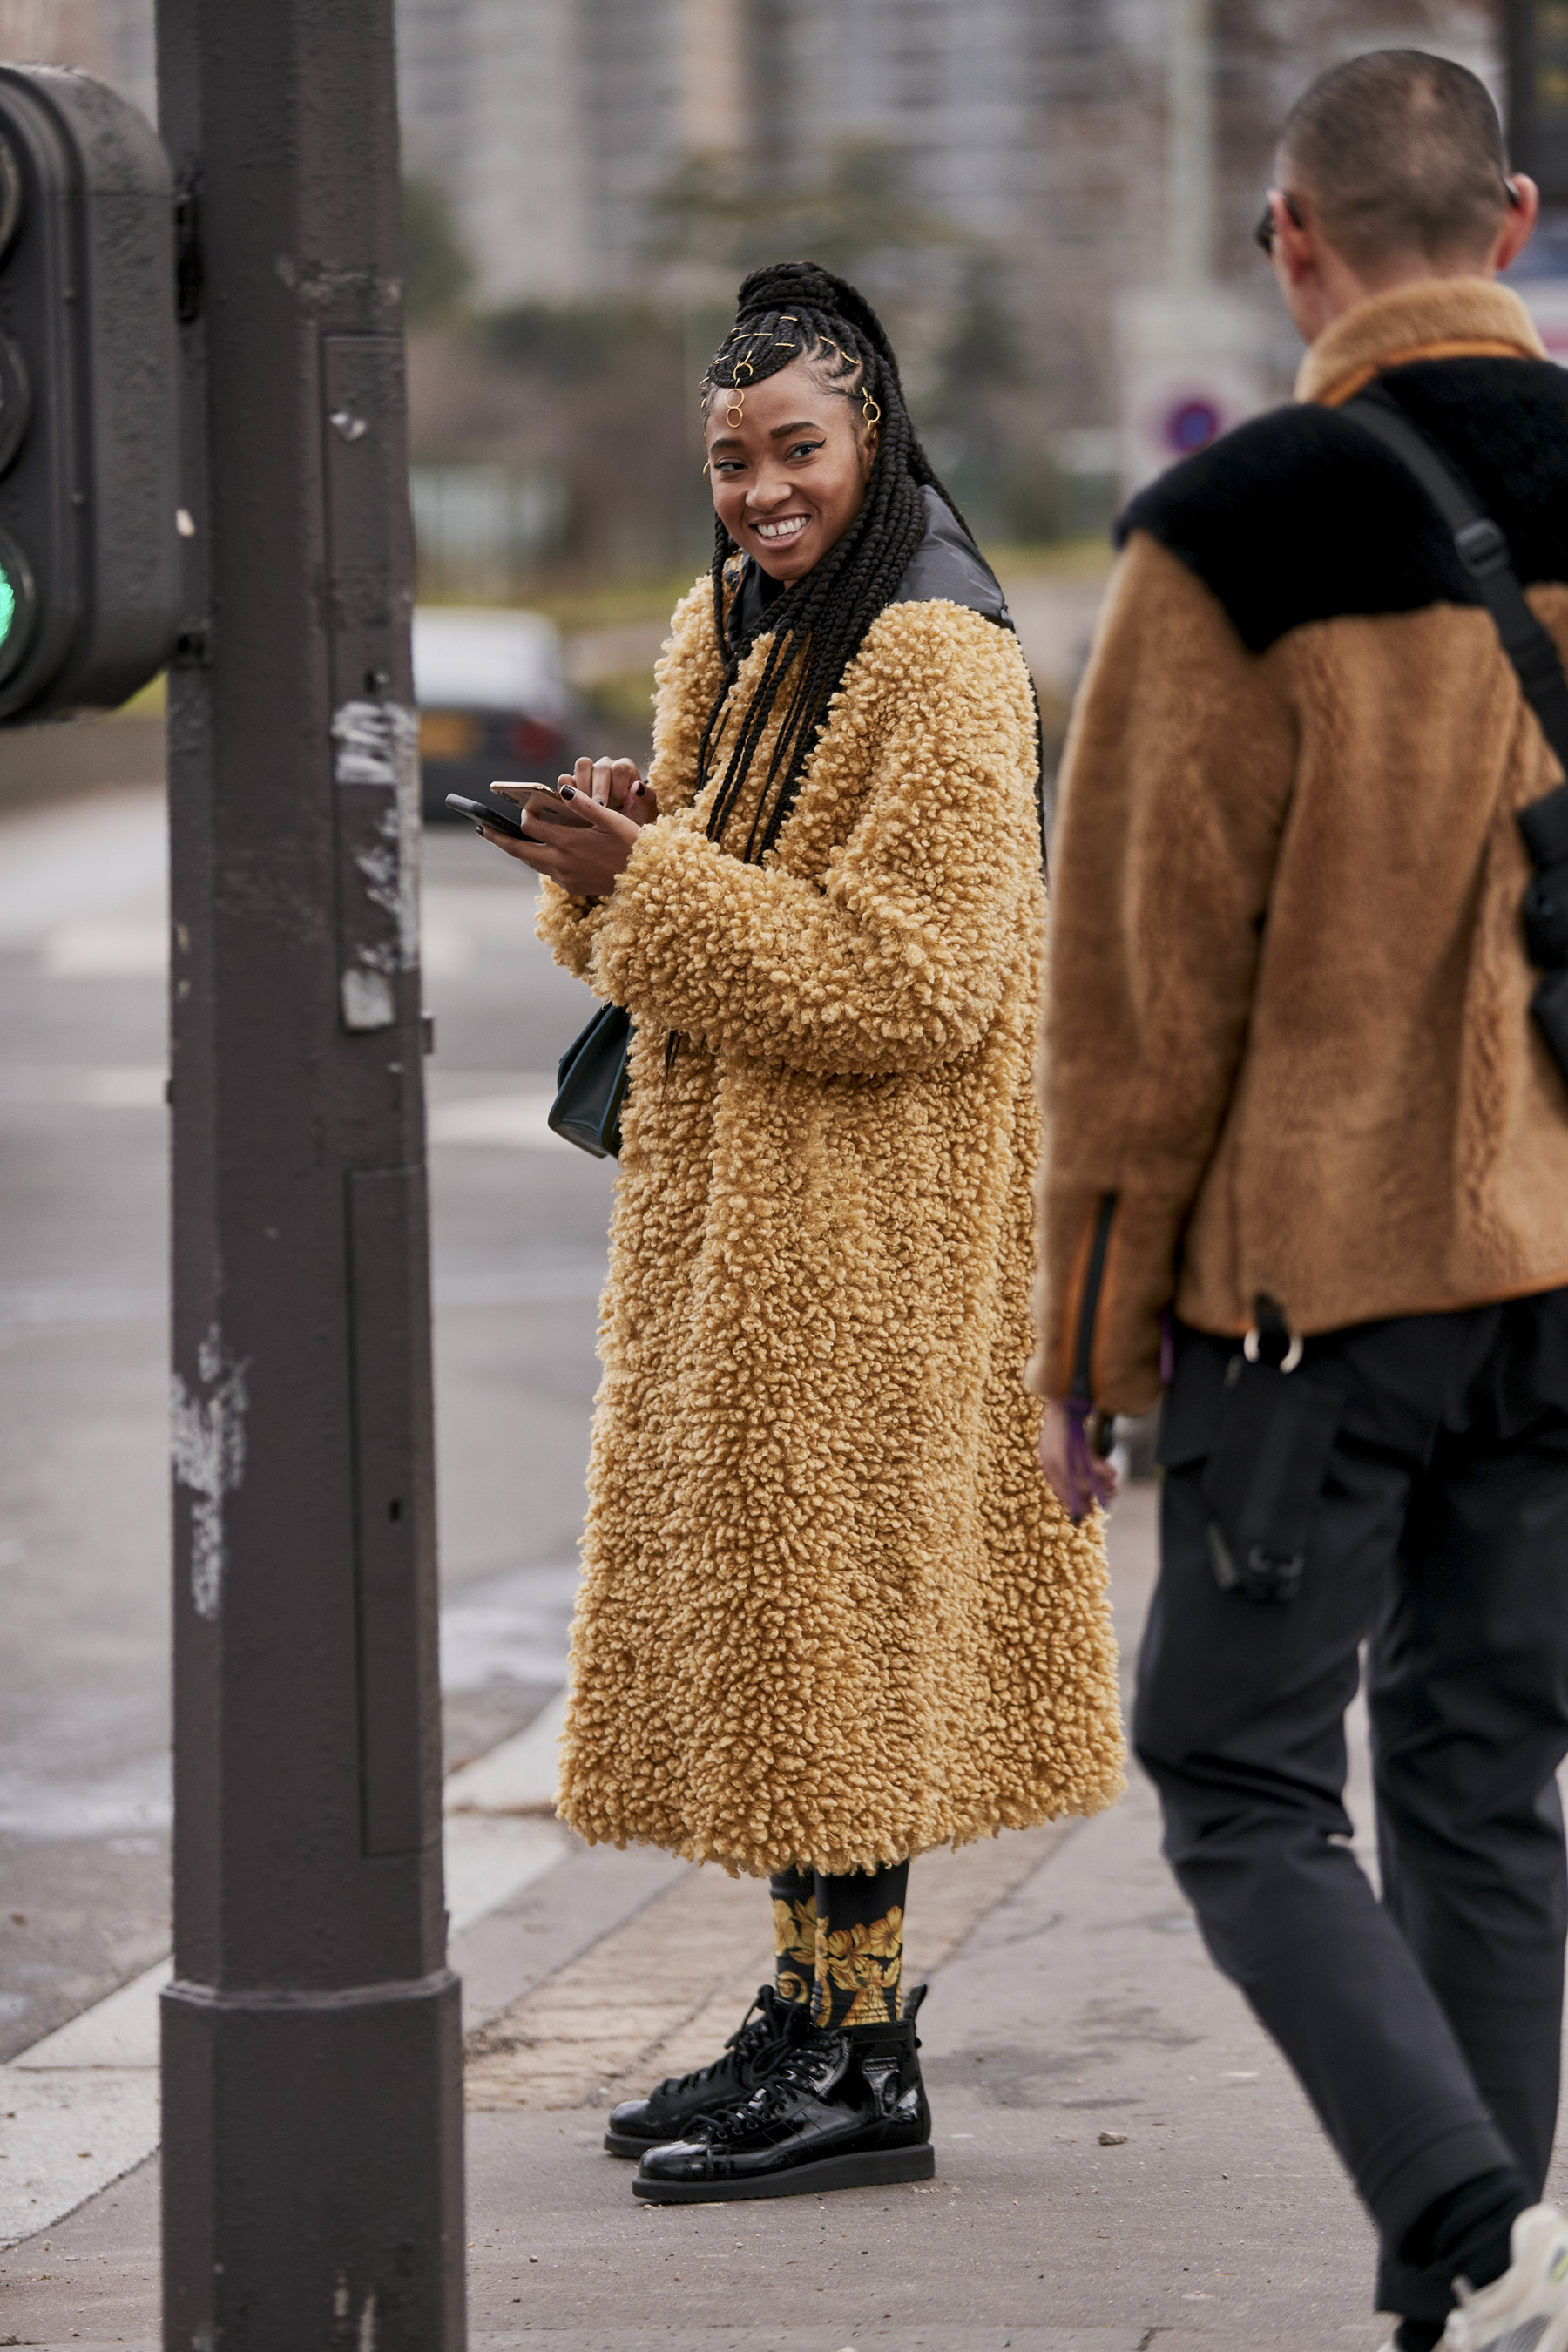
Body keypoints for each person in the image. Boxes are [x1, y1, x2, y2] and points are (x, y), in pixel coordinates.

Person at [476, 259, 1124, 2205]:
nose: (759, 491)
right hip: (749, 1219)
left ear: (877, 439)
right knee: (779, 1640)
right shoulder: (747, 629)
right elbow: (702, 930)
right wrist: (621, 853)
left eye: (797, 453)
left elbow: (918, 981)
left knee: (829, 1646)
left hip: (873, 1243)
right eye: (731, 459)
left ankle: (867, 2056)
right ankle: (806, 2016)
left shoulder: (934, 651)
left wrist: (652, 882)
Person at [1033, 46, 1568, 2352]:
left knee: (1234, 1761)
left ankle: (1443, 2182)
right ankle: (1488, 2270)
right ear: (1519, 219)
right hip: (1566, 1259)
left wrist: (1085, 1353)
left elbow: (1136, 1002)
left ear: (1293, 238)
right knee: (1484, 1767)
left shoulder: (1228, 533)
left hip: (1313, 1282)